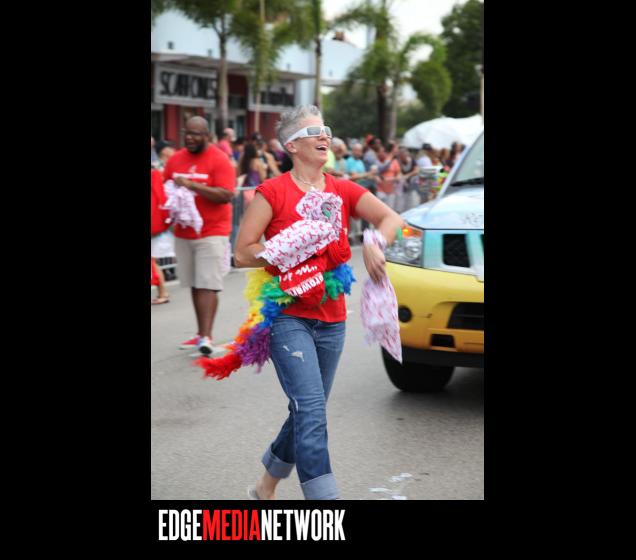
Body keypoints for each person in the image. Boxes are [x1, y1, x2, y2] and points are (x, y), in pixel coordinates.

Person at [233, 104, 405, 500]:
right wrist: (283, 250)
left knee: (306, 409)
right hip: (287, 317)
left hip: (332, 319)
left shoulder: (341, 189)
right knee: (311, 411)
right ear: (292, 146)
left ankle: (264, 487)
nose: (324, 136)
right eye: (314, 131)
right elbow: (242, 253)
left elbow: (391, 219)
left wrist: (375, 243)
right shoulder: (272, 192)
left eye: (326, 129)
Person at [163, 116, 236, 355]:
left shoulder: (219, 159)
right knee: (195, 283)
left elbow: (226, 195)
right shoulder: (175, 159)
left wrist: (192, 185)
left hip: (212, 231)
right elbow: (165, 188)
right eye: (187, 133)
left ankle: (206, 336)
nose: (190, 138)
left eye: (195, 134)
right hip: (184, 232)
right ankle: (199, 334)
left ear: (207, 136)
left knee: (207, 284)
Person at [151, 168, 171, 304]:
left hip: (154, 222)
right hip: (156, 222)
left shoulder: (154, 176)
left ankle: (163, 292)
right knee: (153, 260)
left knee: (153, 261)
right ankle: (163, 292)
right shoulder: (155, 175)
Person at [238, 142, 267, 207]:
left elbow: (238, 175)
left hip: (241, 192)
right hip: (254, 193)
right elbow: (263, 177)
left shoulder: (241, 161)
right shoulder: (257, 162)